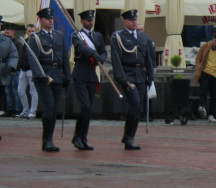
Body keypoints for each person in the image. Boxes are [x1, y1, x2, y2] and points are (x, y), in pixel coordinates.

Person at [27, 8, 70, 152]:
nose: (50, 21)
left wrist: (67, 75)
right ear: (41, 21)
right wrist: (40, 75)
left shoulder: (59, 36)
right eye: (47, 19)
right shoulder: (36, 37)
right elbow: (33, 59)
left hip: (57, 75)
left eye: (51, 18)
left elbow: (64, 57)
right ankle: (47, 140)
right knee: (49, 106)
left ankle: (50, 137)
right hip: (44, 76)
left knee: (54, 108)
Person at [110, 9, 154, 150]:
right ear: (125, 22)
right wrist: (120, 77)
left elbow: (148, 57)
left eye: (135, 20)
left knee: (138, 107)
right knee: (134, 103)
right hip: (127, 74)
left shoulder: (142, 37)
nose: (135, 22)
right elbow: (116, 58)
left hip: (141, 74)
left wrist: (150, 75)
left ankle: (130, 137)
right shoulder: (118, 37)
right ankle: (128, 138)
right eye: (131, 20)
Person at [69, 10, 107, 150]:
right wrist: (93, 53)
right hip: (80, 74)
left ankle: (83, 138)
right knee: (84, 107)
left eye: (92, 20)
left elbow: (103, 51)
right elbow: (80, 48)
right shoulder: (77, 35)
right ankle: (77, 136)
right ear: (82, 21)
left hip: (92, 74)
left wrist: (100, 58)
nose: (90, 22)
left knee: (89, 109)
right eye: (87, 20)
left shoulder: (97, 36)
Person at [194, 31, 216, 122]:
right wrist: (198, 68)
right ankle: (202, 107)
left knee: (214, 95)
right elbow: (199, 58)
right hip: (205, 72)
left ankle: (211, 114)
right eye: (215, 41)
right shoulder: (205, 46)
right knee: (203, 91)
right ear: (213, 39)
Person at [16, 24, 38, 118]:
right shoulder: (25, 41)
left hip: (32, 69)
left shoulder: (37, 42)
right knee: (20, 90)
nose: (31, 33)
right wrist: (18, 66)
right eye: (29, 31)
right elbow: (22, 55)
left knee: (33, 91)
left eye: (33, 31)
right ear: (26, 31)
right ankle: (25, 110)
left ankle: (33, 111)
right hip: (23, 69)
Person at [2, 23, 21, 116]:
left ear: (13, 32)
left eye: (8, 33)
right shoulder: (4, 43)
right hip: (6, 71)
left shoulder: (17, 43)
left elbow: (19, 57)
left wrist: (14, 68)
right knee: (8, 91)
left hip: (15, 71)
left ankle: (17, 109)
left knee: (15, 90)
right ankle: (10, 109)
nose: (6, 34)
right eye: (6, 32)